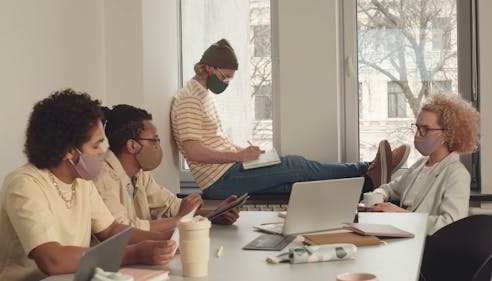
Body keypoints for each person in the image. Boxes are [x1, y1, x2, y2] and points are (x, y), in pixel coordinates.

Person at [171, 38, 410, 199]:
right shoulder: (189, 99)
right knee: (297, 165)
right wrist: (238, 156)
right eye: (225, 77)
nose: (226, 83)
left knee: (295, 186)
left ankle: (368, 181)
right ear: (210, 68)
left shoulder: (203, 96)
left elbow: (215, 141)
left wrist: (247, 153)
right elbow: (193, 151)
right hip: (220, 181)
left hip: (230, 170)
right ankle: (368, 170)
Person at [0, 90, 175, 281]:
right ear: (69, 151)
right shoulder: (24, 184)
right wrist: (134, 253)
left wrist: (166, 238)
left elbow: (111, 231)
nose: (102, 153)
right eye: (96, 146)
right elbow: (52, 260)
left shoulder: (81, 181)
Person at [93, 104, 240, 232]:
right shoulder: (102, 177)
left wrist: (215, 215)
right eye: (154, 140)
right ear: (132, 146)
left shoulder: (140, 175)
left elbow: (171, 207)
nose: (158, 146)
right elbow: (122, 229)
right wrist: (179, 219)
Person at [368, 93, 480, 235]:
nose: (417, 135)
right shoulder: (420, 165)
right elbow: (390, 189)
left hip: (428, 245)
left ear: (447, 134)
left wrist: (401, 216)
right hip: (405, 235)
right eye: (417, 127)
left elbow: (450, 225)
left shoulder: (457, 174)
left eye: (425, 129)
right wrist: (376, 197)